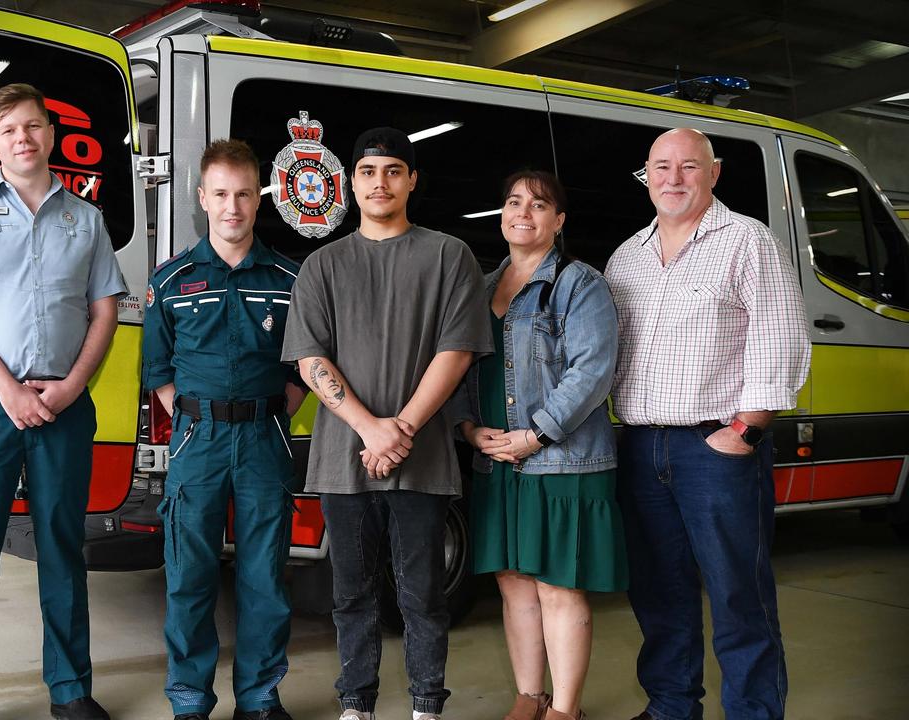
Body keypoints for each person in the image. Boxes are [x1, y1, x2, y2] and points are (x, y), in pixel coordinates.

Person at [0, 83, 127, 720]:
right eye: (9, 128)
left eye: (34, 126)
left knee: (62, 547)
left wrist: (69, 387)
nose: (23, 138)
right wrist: (9, 389)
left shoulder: (85, 219)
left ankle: (70, 692)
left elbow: (105, 312)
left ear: (50, 135)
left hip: (64, 409)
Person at [281, 127, 488, 720]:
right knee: (351, 594)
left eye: (394, 170)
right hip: (345, 459)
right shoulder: (322, 264)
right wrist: (371, 428)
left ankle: (427, 704)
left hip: (422, 458)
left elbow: (457, 351)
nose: (381, 182)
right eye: (369, 172)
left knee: (423, 593)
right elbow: (309, 358)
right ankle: (357, 703)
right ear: (351, 182)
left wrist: (400, 429)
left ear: (412, 180)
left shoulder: (450, 255)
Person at [606, 128, 810, 720]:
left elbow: (780, 335)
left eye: (689, 167)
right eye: (662, 167)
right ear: (647, 175)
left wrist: (746, 429)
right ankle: (672, 705)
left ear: (713, 174)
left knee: (737, 592)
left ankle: (754, 711)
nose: (674, 178)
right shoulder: (627, 257)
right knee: (657, 591)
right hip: (642, 446)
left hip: (715, 448)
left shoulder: (748, 241)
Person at [448, 170, 626, 720]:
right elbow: (454, 371)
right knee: (514, 584)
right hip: (498, 460)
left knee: (559, 586)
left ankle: (565, 709)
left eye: (540, 205)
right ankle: (529, 696)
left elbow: (593, 372)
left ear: (559, 220)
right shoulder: (478, 289)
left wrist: (536, 434)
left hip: (563, 461)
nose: (524, 213)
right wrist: (469, 430)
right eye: (513, 202)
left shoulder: (581, 285)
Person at [142, 138, 307, 720]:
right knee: (189, 575)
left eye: (242, 194)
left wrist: (267, 415)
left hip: (265, 437)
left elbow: (302, 367)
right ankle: (189, 697)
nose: (232, 207)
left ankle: (259, 698)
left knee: (264, 577)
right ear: (202, 198)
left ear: (257, 199)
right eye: (220, 194)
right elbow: (158, 369)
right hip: (198, 440)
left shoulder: (290, 279)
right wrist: (194, 419)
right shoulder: (170, 280)